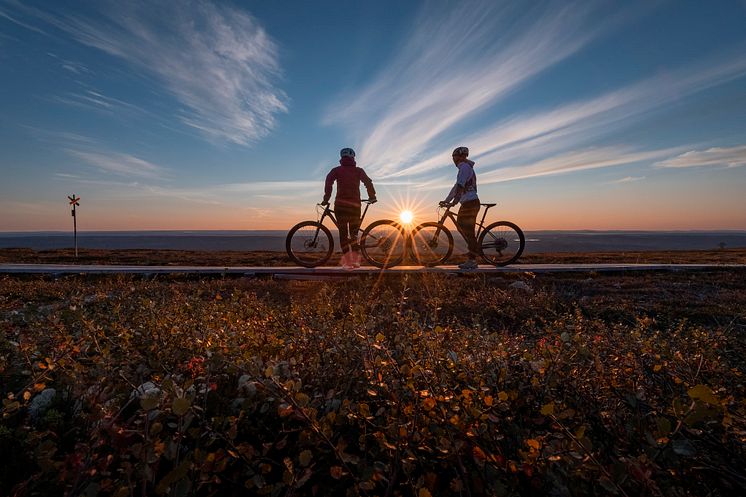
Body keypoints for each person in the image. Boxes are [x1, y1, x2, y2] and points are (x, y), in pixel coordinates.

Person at [322, 147, 376, 269]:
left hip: (340, 206)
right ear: (353, 157)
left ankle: (348, 262)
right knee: (353, 235)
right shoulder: (359, 171)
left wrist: (326, 198)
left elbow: (328, 182)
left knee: (343, 234)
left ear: (341, 157)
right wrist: (372, 196)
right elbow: (368, 182)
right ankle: (356, 261)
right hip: (355, 206)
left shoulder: (336, 170)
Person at [440, 146, 480, 270]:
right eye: (454, 156)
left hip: (470, 203)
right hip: (469, 203)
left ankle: (473, 260)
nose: (454, 159)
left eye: (455, 156)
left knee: (466, 229)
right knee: (463, 227)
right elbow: (456, 188)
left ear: (461, 157)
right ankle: (473, 250)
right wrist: (447, 200)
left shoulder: (464, 167)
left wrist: (454, 202)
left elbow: (460, 186)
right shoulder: (464, 168)